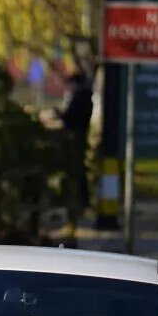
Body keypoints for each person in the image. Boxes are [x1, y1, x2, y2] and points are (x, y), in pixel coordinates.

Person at [58, 69, 94, 213]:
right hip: (80, 136)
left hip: (75, 137)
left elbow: (70, 117)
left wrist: (60, 115)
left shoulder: (80, 98)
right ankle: (82, 200)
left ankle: (79, 201)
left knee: (76, 171)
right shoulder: (86, 97)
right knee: (80, 171)